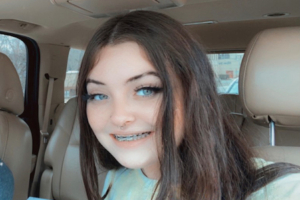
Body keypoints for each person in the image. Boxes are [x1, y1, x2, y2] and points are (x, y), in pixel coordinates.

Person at [77, 11, 300, 200]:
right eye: (97, 95)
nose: (118, 117)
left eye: (146, 90)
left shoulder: (283, 190)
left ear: (195, 94)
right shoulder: (118, 179)